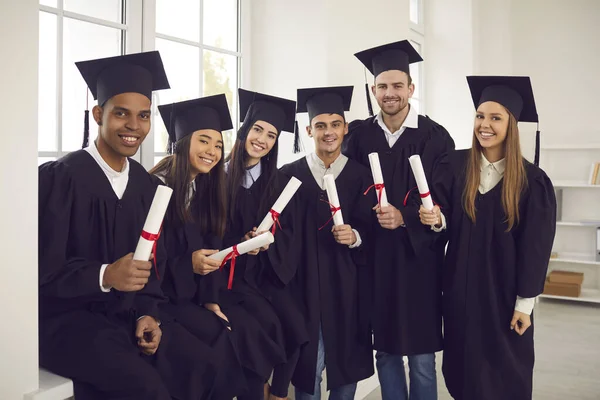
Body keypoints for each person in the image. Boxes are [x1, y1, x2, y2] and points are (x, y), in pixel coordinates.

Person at [38, 51, 216, 400]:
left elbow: (154, 264)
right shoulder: (59, 179)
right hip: (67, 322)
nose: (134, 126)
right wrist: (104, 275)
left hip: (125, 318)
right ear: (99, 114)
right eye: (122, 114)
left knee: (202, 364)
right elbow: (40, 271)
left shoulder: (146, 187)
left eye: (143, 116)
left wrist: (148, 315)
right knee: (145, 387)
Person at [419, 76, 556, 400]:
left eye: (496, 118)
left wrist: (525, 305)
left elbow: (536, 249)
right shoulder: (455, 166)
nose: (485, 125)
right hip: (460, 290)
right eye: (480, 116)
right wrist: (436, 219)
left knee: (505, 371)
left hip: (505, 295)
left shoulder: (531, 181)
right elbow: (443, 221)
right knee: (463, 369)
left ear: (512, 124)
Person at [151, 94, 286, 400]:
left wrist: (211, 301)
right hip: (159, 299)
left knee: (244, 333)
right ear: (181, 142)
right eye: (204, 141)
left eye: (217, 145)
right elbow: (151, 258)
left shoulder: (204, 188)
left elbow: (212, 245)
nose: (212, 151)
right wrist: (189, 266)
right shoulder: (156, 189)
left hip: (189, 294)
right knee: (222, 345)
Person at [343, 40, 455, 400]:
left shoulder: (436, 138)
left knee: (422, 357)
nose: (389, 94)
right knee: (386, 350)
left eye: (396, 86)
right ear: (372, 90)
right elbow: (348, 192)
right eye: (382, 87)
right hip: (374, 259)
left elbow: (444, 202)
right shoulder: (358, 136)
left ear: (411, 88)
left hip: (419, 261)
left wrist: (406, 217)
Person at [280, 86, 375, 400]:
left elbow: (374, 231)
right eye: (320, 125)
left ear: (345, 128)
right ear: (309, 130)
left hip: (347, 286)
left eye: (336, 124)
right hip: (303, 287)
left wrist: (356, 236)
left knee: (345, 365)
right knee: (309, 367)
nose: (329, 132)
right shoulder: (288, 176)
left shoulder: (362, 177)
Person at [224, 89, 309, 400]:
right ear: (245, 130)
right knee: (263, 331)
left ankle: (278, 394)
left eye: (271, 135)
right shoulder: (219, 177)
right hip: (231, 277)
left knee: (297, 329)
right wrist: (241, 242)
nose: (262, 139)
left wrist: (267, 244)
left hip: (266, 274)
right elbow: (209, 232)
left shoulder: (279, 182)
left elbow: (288, 234)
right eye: (257, 129)